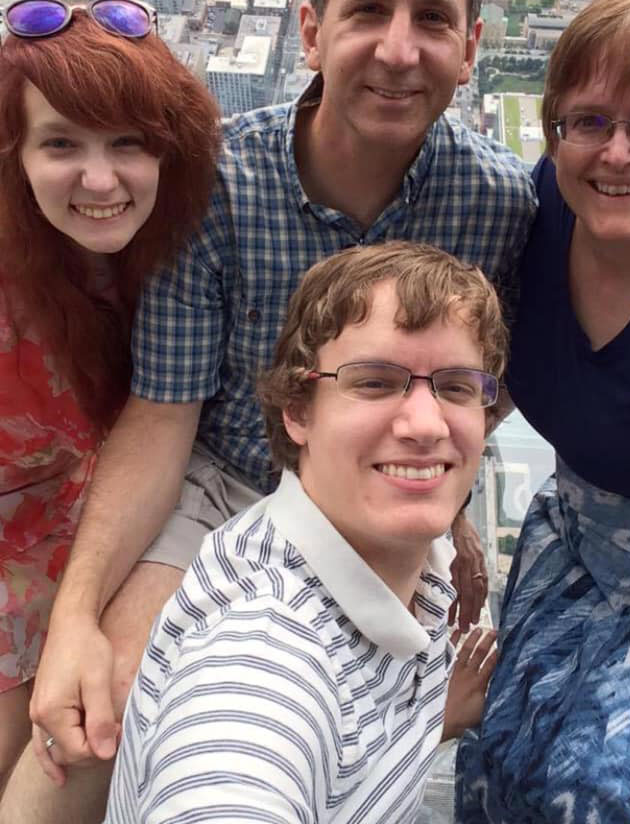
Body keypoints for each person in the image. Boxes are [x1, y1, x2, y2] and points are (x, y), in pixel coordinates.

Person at [12, 0, 536, 823]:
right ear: (308, 29)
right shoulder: (220, 185)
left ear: (470, 51)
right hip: (229, 485)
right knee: (92, 727)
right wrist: (80, 622)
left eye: (433, 18)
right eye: (368, 9)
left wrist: (454, 520)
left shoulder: (499, 203)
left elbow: (476, 390)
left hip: (382, 497)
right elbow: (166, 414)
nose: (397, 48)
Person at [105, 241, 502, 823]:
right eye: (373, 382)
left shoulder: (403, 560)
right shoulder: (259, 660)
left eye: (457, 387)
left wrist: (434, 719)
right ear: (298, 410)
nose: (425, 424)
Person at [455, 0, 630, 824]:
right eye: (589, 121)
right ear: (553, 131)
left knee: (604, 795)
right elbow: (479, 380)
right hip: (573, 542)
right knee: (496, 750)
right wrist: (446, 512)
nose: (616, 153)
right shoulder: (539, 216)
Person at [0, 0, 219, 810]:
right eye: (61, 144)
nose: (100, 180)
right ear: (14, 153)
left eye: (128, 143)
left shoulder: (189, 252)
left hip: (122, 547)